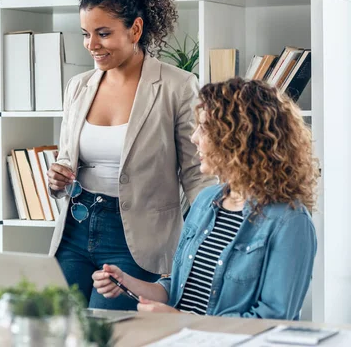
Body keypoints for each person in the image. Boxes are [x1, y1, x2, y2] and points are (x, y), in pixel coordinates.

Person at [47, 0, 214, 311]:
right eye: (86, 34)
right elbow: (67, 160)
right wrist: (57, 179)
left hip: (138, 241)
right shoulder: (78, 87)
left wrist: (208, 236)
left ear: (135, 30)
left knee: (117, 335)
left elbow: (197, 174)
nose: (91, 44)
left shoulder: (177, 87)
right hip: (75, 232)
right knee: (59, 330)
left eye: (103, 33)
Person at [92, 78, 320, 319]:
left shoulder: (290, 222)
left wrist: (181, 321)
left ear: (239, 139)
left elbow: (273, 320)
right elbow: (179, 289)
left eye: (204, 128)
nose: (194, 138)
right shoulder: (205, 201)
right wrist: (127, 282)